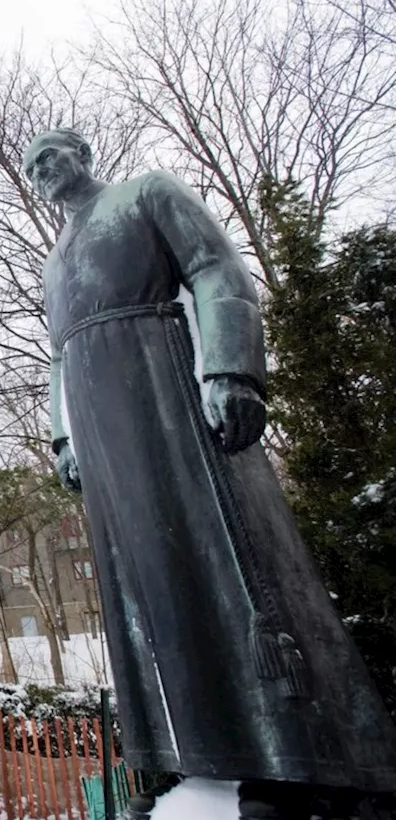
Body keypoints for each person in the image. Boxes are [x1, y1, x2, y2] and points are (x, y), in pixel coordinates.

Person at [28, 128, 396, 820]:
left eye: (51, 154)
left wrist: (228, 367)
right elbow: (56, 357)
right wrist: (62, 438)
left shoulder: (146, 194)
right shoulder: (56, 262)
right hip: (102, 429)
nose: (42, 169)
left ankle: (287, 761)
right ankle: (184, 753)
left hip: (165, 390)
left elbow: (215, 268)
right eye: (32, 166)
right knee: (145, 588)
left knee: (227, 559)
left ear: (83, 154)